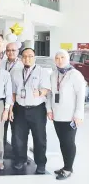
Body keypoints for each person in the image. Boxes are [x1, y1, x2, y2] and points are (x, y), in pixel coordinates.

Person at [46, 49, 86, 180]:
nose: (59, 60)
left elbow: (81, 96)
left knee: (68, 142)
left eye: (62, 57)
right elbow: (50, 94)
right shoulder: (53, 74)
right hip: (57, 115)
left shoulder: (75, 75)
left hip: (70, 116)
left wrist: (78, 114)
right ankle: (66, 166)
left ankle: (68, 168)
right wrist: (49, 109)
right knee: (63, 142)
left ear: (67, 59)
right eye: (57, 58)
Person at [11, 48, 51, 174]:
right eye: (24, 56)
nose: (27, 58)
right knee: (18, 137)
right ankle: (20, 160)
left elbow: (46, 89)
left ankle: (41, 164)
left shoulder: (42, 72)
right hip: (19, 109)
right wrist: (11, 109)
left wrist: (40, 92)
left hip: (37, 110)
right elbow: (13, 92)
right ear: (21, 58)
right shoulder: (16, 72)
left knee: (39, 138)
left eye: (30, 56)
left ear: (34, 57)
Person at [0, 42, 24, 147]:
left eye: (13, 50)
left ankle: (17, 154)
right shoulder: (1, 63)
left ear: (18, 51)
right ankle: (2, 151)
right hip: (2, 99)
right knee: (1, 127)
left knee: (17, 129)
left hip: (16, 101)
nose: (10, 52)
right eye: (8, 50)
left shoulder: (22, 64)